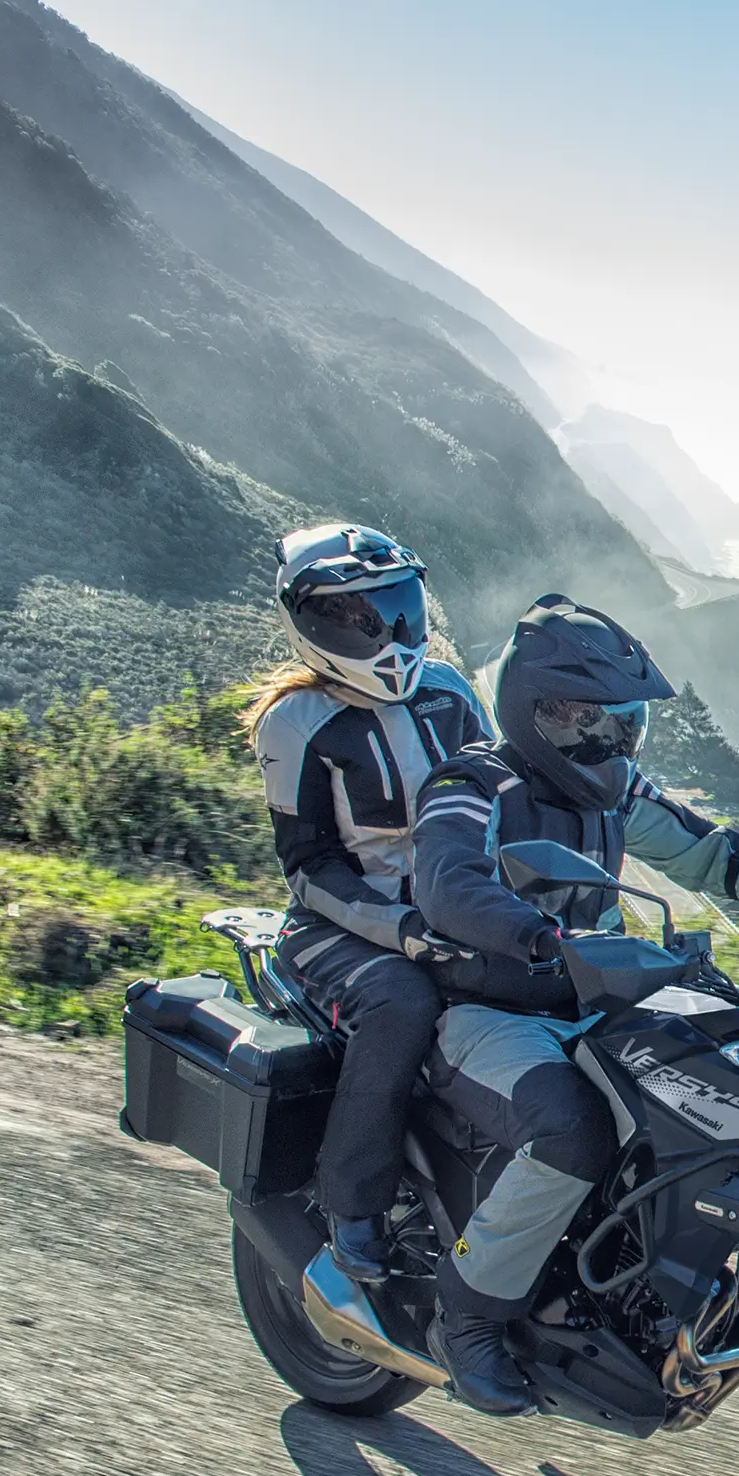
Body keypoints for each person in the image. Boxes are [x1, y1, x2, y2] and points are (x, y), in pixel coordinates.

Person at [410, 594, 739, 1413]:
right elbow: (447, 883)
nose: (611, 743)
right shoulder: (473, 782)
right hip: (492, 1014)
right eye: (592, 722)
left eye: (624, 725)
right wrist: (536, 935)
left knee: (719, 1092)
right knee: (574, 1127)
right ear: (536, 713)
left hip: (602, 1009)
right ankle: (468, 1314)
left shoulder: (614, 793)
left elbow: (704, 849)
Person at [245, 524, 494, 1286]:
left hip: (451, 911)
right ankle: (352, 1209)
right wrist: (401, 928)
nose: (389, 634)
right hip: (338, 928)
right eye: (360, 618)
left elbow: (506, 798)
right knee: (401, 1002)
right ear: (312, 624)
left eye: (399, 611)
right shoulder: (295, 723)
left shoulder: (449, 689)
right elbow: (309, 868)